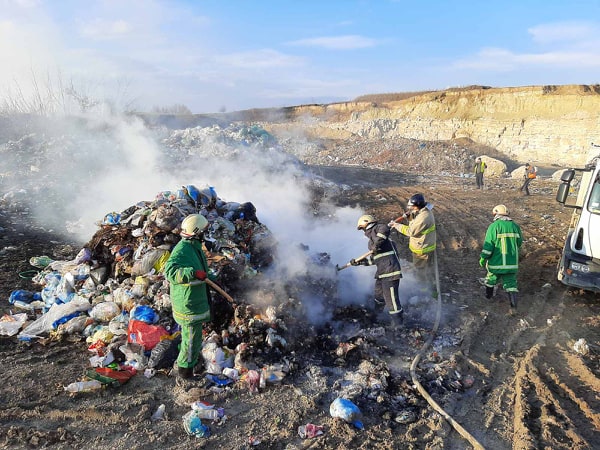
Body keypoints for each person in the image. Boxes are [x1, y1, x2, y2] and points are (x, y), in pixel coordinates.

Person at [163, 214, 216, 379]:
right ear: (196, 232)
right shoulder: (182, 249)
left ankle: (188, 363)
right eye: (204, 232)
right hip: (188, 304)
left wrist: (211, 277)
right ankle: (185, 372)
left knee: (192, 337)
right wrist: (192, 273)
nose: (206, 235)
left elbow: (201, 270)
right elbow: (170, 271)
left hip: (194, 300)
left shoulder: (194, 246)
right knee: (191, 340)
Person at [352, 214, 404, 329]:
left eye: (363, 228)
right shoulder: (371, 243)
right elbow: (374, 260)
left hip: (391, 271)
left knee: (391, 299)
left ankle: (398, 323)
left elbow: (384, 231)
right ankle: (377, 315)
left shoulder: (379, 229)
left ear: (367, 224)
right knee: (379, 295)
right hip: (382, 272)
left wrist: (377, 244)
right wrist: (360, 263)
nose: (363, 231)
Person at [479, 204, 523, 311]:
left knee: (490, 280)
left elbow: (488, 246)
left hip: (496, 263)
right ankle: (513, 307)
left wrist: (483, 258)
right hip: (511, 264)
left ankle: (488, 298)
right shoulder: (515, 226)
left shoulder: (494, 227)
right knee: (511, 284)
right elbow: (519, 243)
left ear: (496, 214)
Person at [389, 193, 437, 291]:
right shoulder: (423, 211)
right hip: (425, 244)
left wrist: (396, 225)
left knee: (420, 269)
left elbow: (410, 231)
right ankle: (431, 282)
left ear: (418, 206)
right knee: (427, 267)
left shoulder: (423, 218)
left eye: (412, 207)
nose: (411, 208)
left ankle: (423, 289)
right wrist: (410, 216)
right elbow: (415, 222)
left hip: (422, 248)